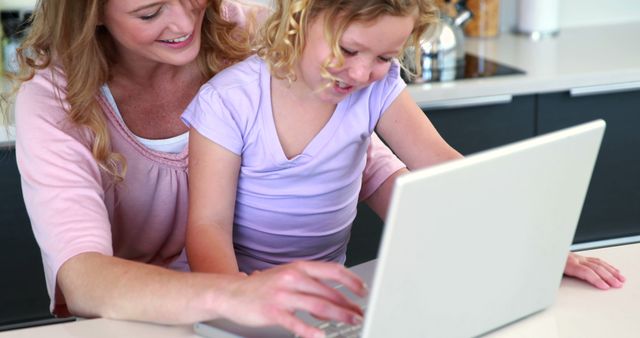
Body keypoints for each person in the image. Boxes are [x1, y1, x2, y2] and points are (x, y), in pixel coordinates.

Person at [7, 1, 404, 337]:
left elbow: (354, 152)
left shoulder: (255, 31)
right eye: (149, 13)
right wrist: (231, 296)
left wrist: (434, 221)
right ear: (90, 12)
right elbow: (83, 278)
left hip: (266, 310)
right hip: (141, 322)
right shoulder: (54, 98)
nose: (183, 23)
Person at [183, 0, 626, 290]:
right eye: (349, 49)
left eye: (383, 57)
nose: (360, 75)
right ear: (301, 16)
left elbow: (444, 167)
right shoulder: (229, 100)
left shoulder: (376, 89)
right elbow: (207, 227)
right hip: (233, 290)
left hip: (326, 294)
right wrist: (241, 305)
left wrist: (532, 242)